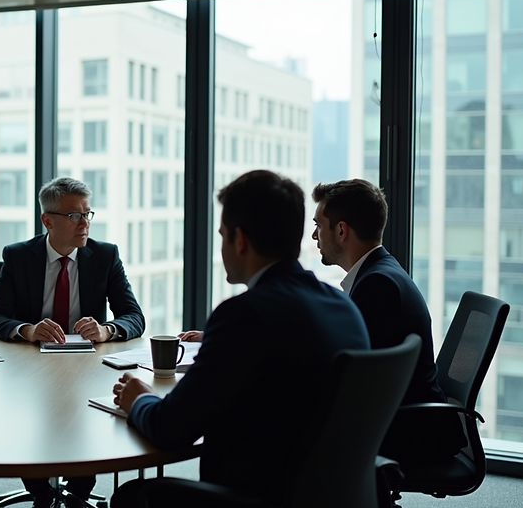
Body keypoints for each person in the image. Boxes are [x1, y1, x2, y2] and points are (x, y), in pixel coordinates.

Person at [110, 170, 370, 508]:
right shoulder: (342, 306)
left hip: (258, 496)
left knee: (131, 497)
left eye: (222, 235)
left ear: (240, 240)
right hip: (332, 494)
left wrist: (138, 399)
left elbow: (171, 430)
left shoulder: (243, 315)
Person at [0, 177, 144, 508]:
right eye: (74, 216)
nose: (84, 223)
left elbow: (134, 316)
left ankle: (76, 495)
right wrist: (27, 330)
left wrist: (106, 330)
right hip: (30, 369)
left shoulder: (104, 256)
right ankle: (40, 493)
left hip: (86, 368)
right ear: (47, 220)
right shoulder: (18, 257)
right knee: (31, 421)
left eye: (88, 214)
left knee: (87, 422)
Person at [311, 178, 464, 464]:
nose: (313, 235)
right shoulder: (381, 272)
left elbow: (353, 375)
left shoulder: (378, 285)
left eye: (319, 225)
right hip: (409, 418)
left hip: (408, 431)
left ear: (341, 230)